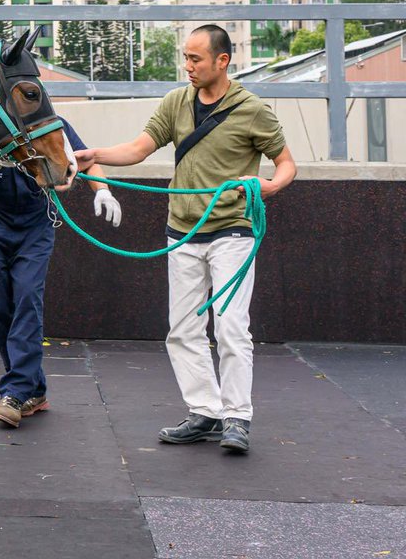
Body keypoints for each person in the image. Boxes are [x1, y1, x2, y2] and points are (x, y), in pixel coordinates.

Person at [74, 24, 296, 454]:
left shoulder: (253, 110)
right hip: (182, 232)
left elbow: (286, 163)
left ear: (222, 61)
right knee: (183, 328)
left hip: (233, 231)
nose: (188, 66)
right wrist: (95, 155)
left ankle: (237, 417)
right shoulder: (176, 102)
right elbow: (140, 148)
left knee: (232, 326)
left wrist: (266, 186)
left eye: (196, 59)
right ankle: (205, 410)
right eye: (186, 58)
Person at [0, 117, 121, 428]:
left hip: (34, 225)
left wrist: (101, 191)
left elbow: (85, 158)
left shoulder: (54, 124)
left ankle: (15, 392)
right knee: (0, 308)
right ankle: (33, 390)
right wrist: (0, 154)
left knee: (26, 298)